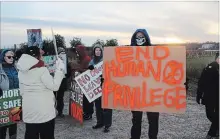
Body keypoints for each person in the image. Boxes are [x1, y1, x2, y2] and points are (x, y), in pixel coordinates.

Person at [16, 46, 65, 139]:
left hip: (29, 110)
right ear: (36, 56)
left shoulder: (21, 71)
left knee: (31, 134)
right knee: (47, 135)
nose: (42, 57)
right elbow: (54, 86)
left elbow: (21, 91)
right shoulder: (41, 70)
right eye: (41, 55)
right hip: (44, 111)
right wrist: (60, 70)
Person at [130, 29, 159, 139]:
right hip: (136, 92)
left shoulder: (154, 52)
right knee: (136, 119)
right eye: (137, 37)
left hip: (152, 92)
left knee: (153, 119)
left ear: (146, 37)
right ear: (134, 38)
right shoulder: (129, 53)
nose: (140, 39)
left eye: (142, 36)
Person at [88, 44, 113, 133]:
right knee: (98, 106)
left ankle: (107, 125)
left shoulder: (105, 61)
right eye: (96, 50)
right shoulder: (91, 62)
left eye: (99, 50)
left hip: (106, 86)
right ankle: (100, 122)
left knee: (106, 106)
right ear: (94, 51)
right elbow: (89, 76)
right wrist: (90, 70)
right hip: (96, 87)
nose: (98, 52)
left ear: (102, 51)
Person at [197, 52, 219, 139]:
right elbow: (202, 81)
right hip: (209, 96)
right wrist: (199, 94)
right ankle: (216, 129)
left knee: (217, 115)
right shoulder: (209, 68)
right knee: (209, 114)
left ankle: (211, 133)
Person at [0, 49, 19, 139]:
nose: (11, 59)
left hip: (14, 100)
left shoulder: (16, 67)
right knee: (2, 124)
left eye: (13, 57)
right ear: (3, 57)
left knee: (13, 123)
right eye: (9, 57)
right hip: (3, 101)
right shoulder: (0, 69)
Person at [75, 45, 94, 120]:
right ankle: (85, 112)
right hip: (83, 82)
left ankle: (89, 113)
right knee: (84, 99)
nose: (77, 53)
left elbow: (89, 71)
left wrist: (79, 68)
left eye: (78, 51)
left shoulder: (87, 59)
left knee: (88, 99)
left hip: (87, 82)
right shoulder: (82, 58)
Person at [54, 47, 71, 118]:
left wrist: (67, 73)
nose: (62, 54)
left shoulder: (66, 61)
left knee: (60, 97)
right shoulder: (54, 60)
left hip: (62, 81)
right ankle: (54, 111)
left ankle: (60, 111)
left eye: (63, 53)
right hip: (55, 80)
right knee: (54, 97)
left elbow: (68, 71)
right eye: (61, 53)